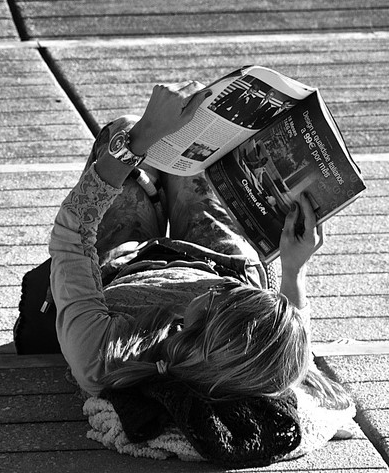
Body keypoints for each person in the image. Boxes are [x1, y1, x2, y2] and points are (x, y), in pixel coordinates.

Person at [47, 81, 353, 464]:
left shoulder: (101, 356)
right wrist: (293, 268)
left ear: (204, 336)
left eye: (217, 299)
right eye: (230, 293)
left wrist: (140, 138)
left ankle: (148, 138)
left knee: (121, 131)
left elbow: (72, 231)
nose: (209, 291)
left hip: (128, 264)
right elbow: (290, 341)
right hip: (226, 262)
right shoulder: (264, 364)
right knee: (199, 142)